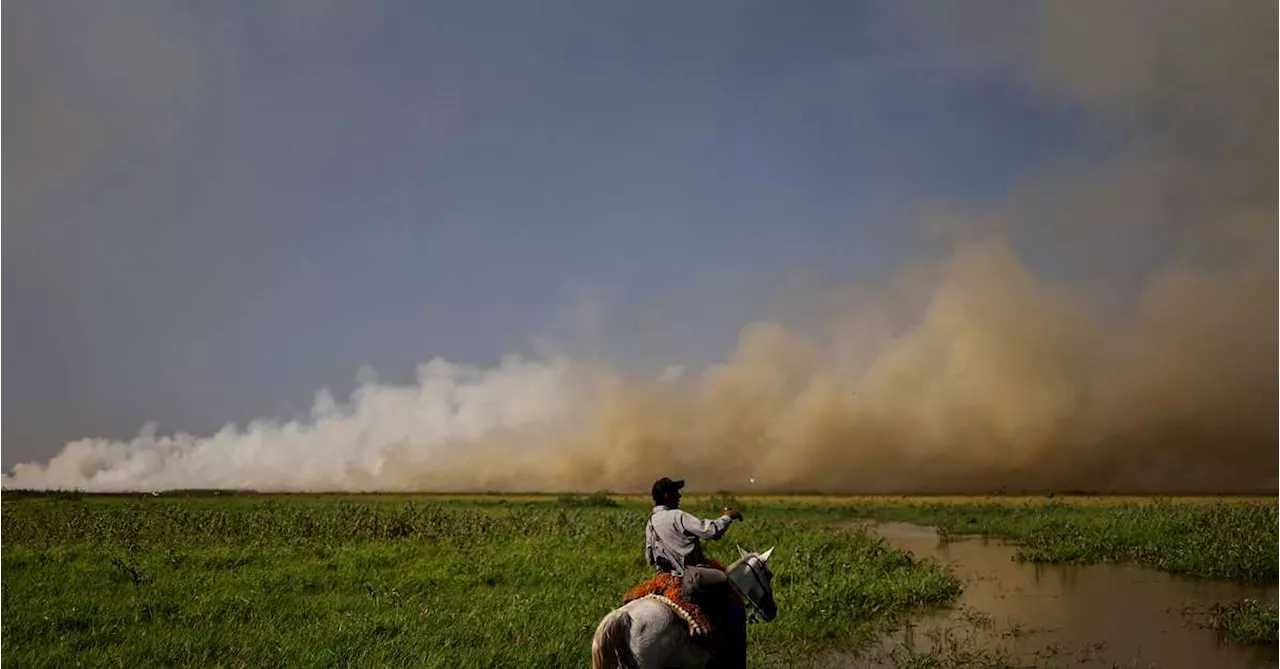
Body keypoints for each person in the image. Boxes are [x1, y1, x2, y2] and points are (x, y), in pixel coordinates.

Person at [645, 477, 747, 668]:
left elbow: (650, 558)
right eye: (676, 492)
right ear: (667, 496)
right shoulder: (677, 516)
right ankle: (737, 662)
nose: (679, 495)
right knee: (730, 595)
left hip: (664, 579)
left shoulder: (650, 522)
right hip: (689, 577)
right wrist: (728, 517)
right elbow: (711, 531)